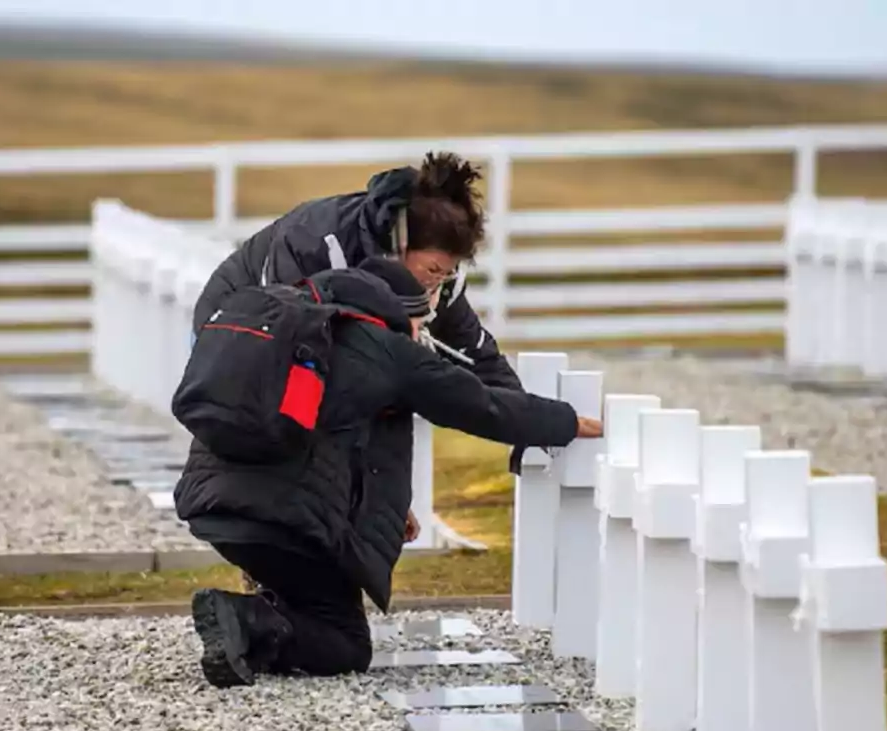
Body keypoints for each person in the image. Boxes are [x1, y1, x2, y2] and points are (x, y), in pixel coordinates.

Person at [173, 256, 602, 688]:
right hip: (284, 521)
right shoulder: (386, 348)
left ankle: (249, 630)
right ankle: (245, 620)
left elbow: (339, 441)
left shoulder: (297, 323)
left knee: (308, 596)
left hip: (213, 507)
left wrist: (391, 509)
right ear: (404, 313)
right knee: (347, 644)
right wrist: (565, 422)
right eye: (422, 323)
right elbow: (478, 405)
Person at [193, 150, 521, 391]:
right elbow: (281, 336)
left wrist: (528, 421)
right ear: (401, 243)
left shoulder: (439, 281)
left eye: (448, 273)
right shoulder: (313, 241)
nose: (439, 282)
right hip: (237, 329)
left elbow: (475, 355)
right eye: (434, 269)